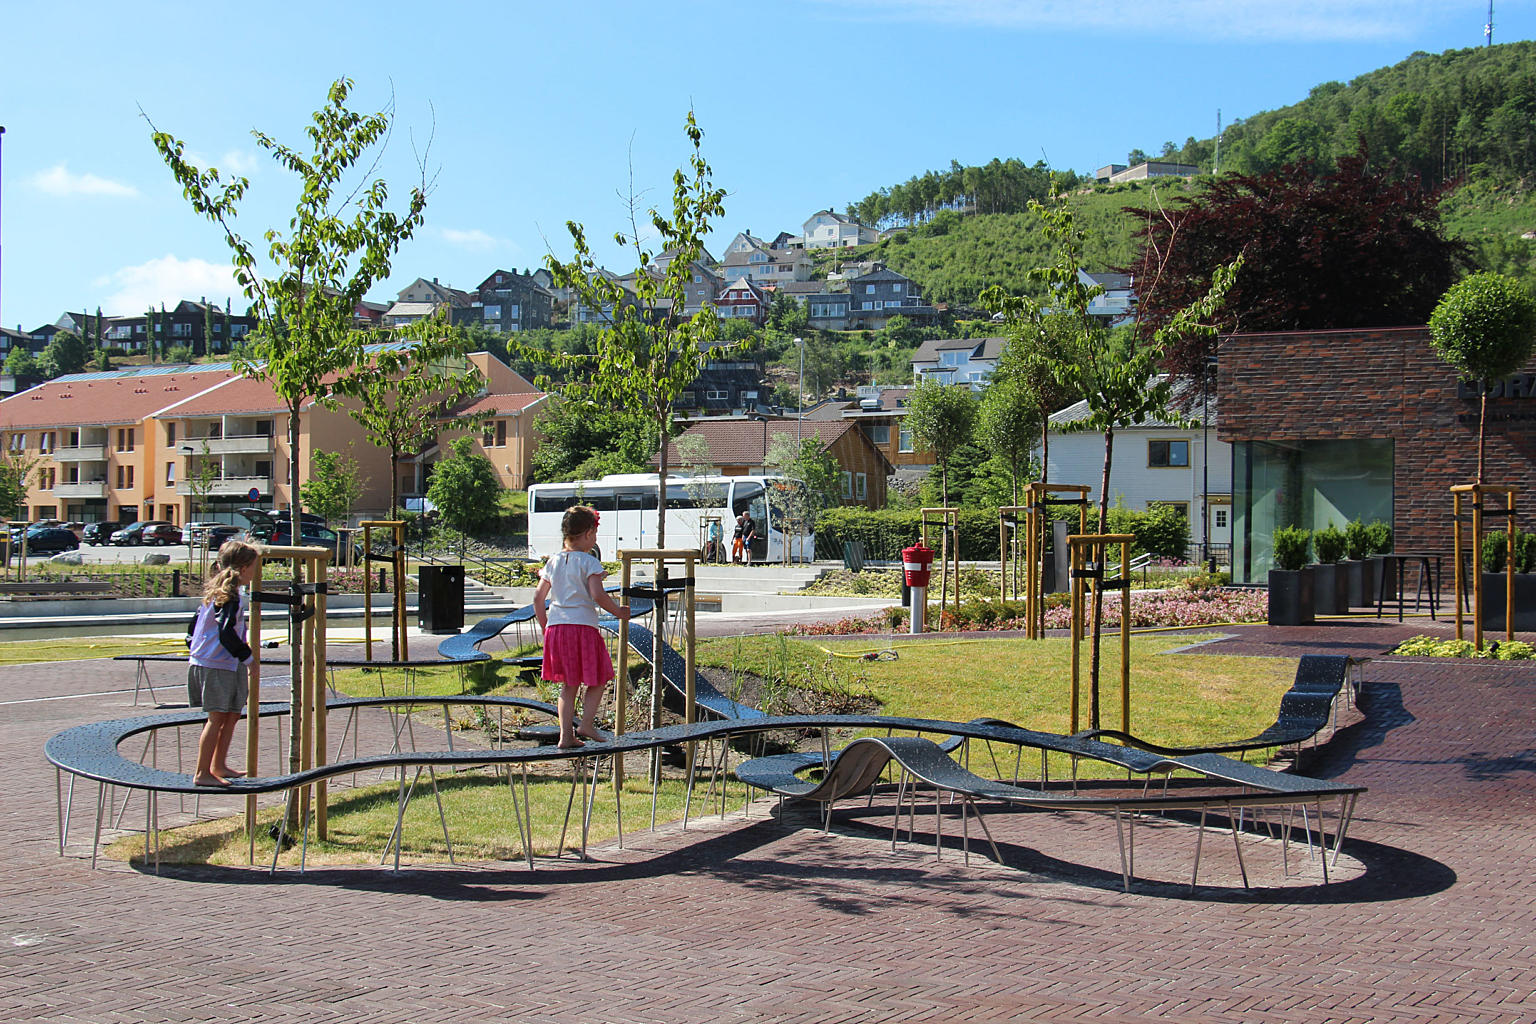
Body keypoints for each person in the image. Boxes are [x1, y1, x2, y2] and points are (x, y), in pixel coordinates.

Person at [533, 505, 632, 749]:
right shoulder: (589, 563)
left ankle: (565, 735)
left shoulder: (553, 561)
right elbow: (597, 595)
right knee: (598, 678)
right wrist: (619, 611)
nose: (595, 540)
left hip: (557, 629)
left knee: (569, 684)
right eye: (595, 534)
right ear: (588, 533)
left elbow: (538, 598)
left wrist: (546, 626)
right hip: (583, 628)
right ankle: (586, 724)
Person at [186, 540, 260, 787]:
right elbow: (225, 632)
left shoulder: (227, 592)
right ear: (243, 568)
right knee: (216, 717)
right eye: (254, 568)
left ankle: (219, 764)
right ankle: (202, 773)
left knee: (232, 713)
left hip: (222, 662)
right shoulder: (227, 596)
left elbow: (193, 626)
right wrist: (248, 658)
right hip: (215, 663)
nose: (256, 573)